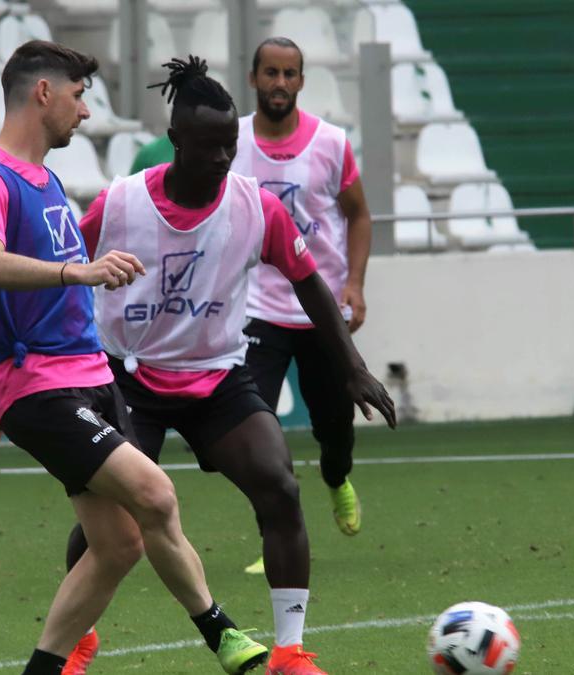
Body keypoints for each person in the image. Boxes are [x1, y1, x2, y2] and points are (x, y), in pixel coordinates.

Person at [63, 56, 397, 675]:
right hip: (130, 378)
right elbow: (61, 276)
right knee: (107, 522)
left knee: (281, 486)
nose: (222, 158)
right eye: (208, 146)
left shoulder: (255, 207)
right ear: (175, 141)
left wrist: (350, 366)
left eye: (229, 146)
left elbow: (310, 285)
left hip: (217, 374)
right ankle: (76, 643)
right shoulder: (120, 205)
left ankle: (290, 653)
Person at [0, 41, 268, 675]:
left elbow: (26, 301)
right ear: (43, 94)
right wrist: (80, 272)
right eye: (78, 95)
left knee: (118, 544)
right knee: (155, 492)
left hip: (87, 377)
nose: (86, 111)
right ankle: (223, 634)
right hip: (44, 387)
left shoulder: (44, 180)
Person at [233, 37, 376, 576]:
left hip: (321, 311)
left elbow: (359, 215)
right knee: (253, 431)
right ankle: (275, 535)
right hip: (256, 308)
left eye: (290, 74)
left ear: (301, 80)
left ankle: (337, 478)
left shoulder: (332, 143)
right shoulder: (235, 140)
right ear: (253, 78)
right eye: (270, 73)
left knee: (336, 427)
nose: (280, 84)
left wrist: (356, 284)